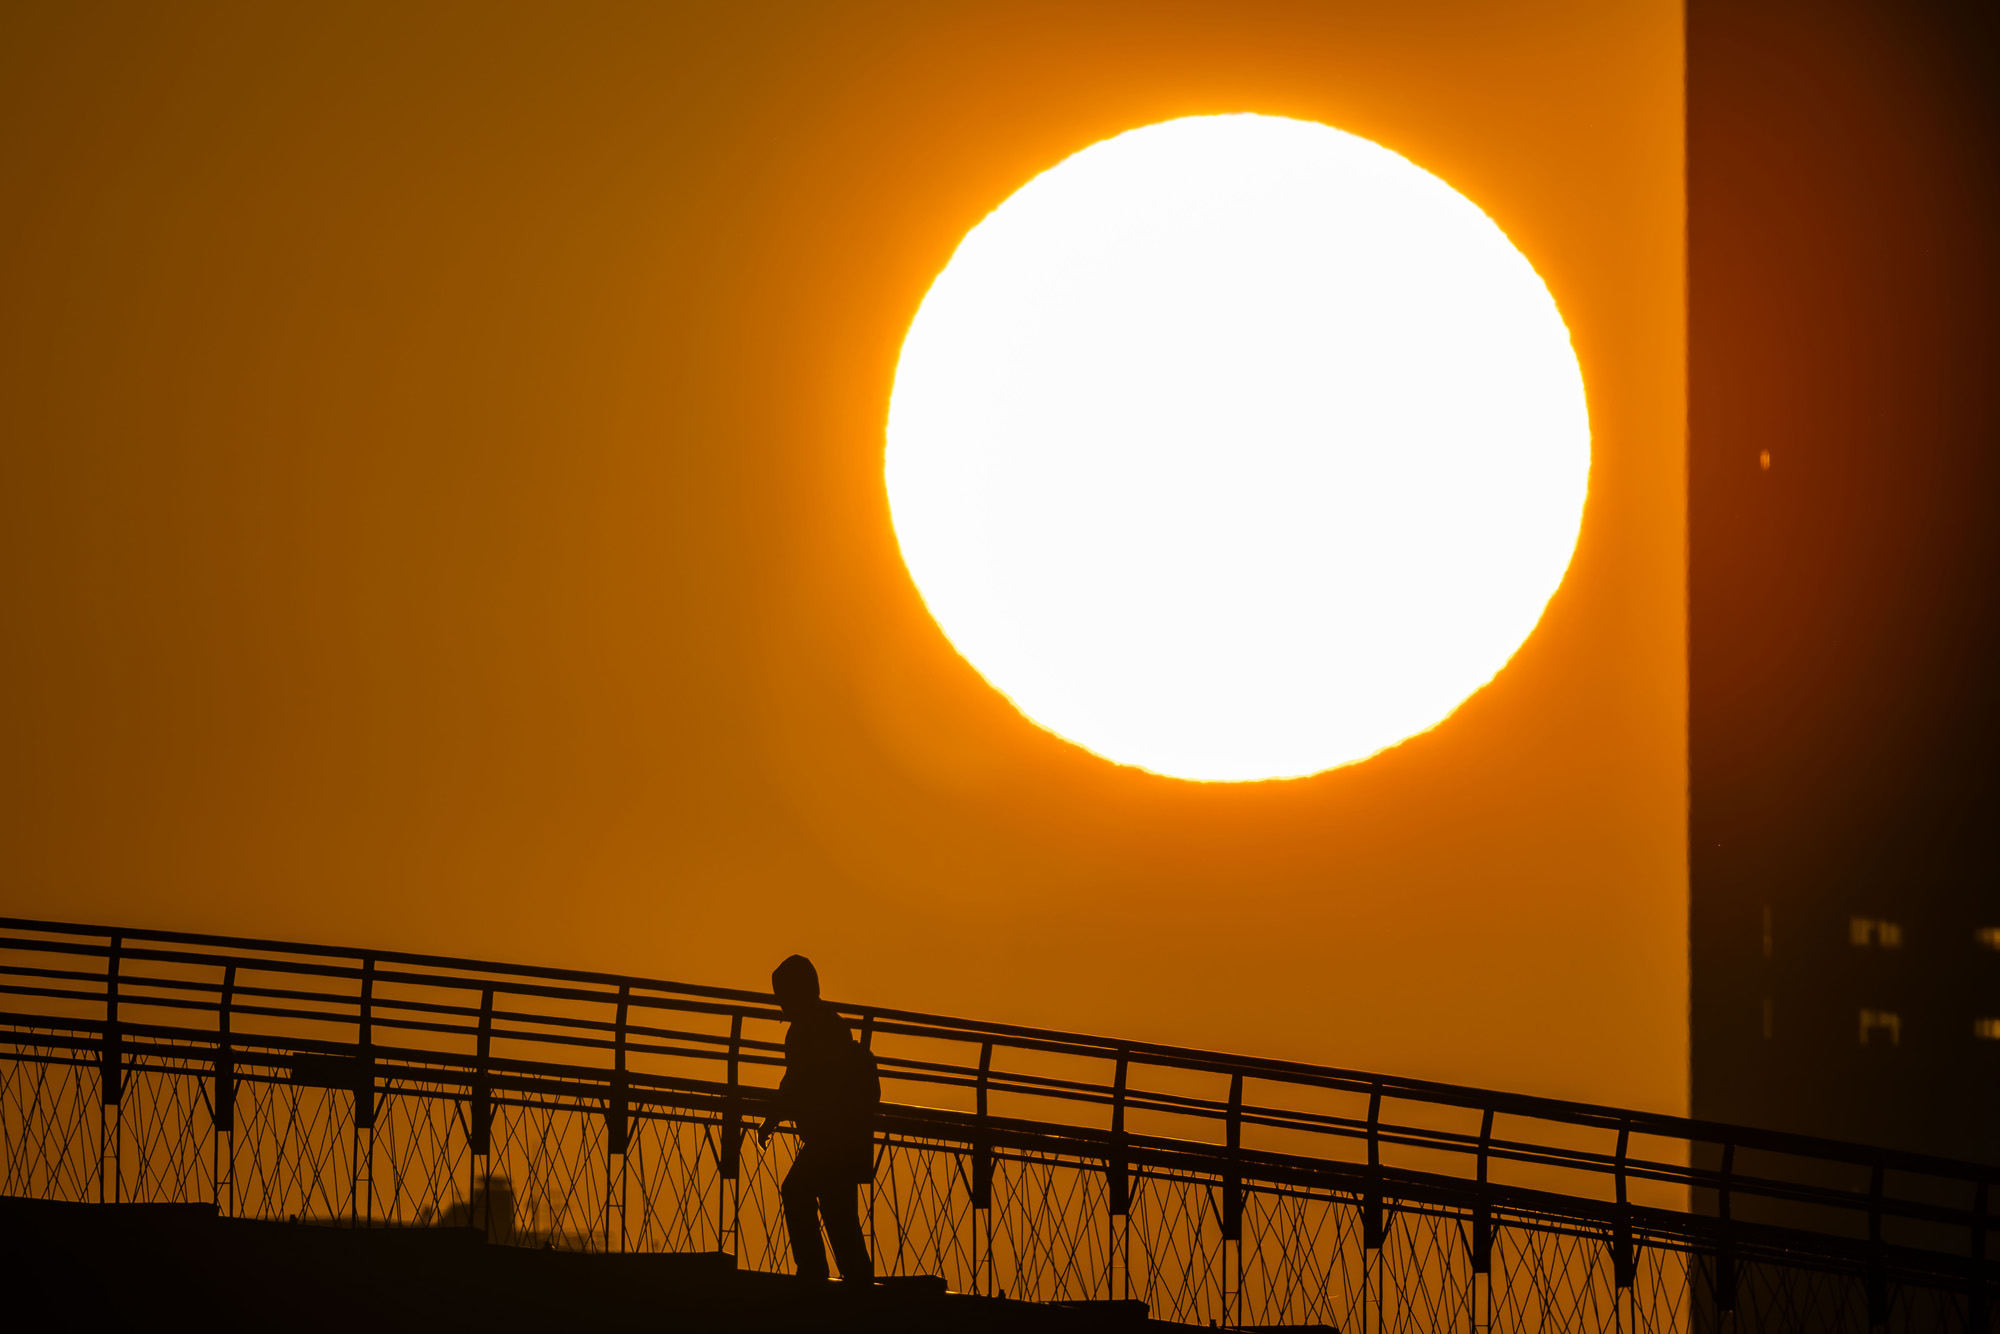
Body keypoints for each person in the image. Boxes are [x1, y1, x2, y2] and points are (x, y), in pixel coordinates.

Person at [756, 954, 878, 1283]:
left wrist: (772, 1119)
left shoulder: (807, 1031)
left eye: (782, 995)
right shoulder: (832, 1024)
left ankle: (814, 1272)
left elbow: (796, 1081)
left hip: (829, 1138)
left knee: (796, 1191)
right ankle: (858, 1282)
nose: (780, 1004)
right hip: (846, 1137)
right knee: (839, 1213)